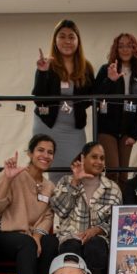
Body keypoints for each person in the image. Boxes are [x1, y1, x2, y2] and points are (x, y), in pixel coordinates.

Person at [0, 134, 58, 274]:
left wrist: (36, 237)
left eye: (50, 152)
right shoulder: (15, 175)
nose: (45, 155)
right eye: (40, 150)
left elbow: (48, 216)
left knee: (51, 241)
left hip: (28, 237)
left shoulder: (49, 186)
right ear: (30, 153)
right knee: (27, 244)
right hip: (3, 234)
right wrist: (8, 178)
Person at [50, 142, 122, 274]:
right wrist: (75, 182)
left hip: (99, 237)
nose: (99, 161)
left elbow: (117, 223)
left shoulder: (113, 188)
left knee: (95, 247)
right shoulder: (66, 181)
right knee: (71, 248)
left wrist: (97, 230)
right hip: (70, 235)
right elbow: (60, 211)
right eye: (94, 157)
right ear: (83, 158)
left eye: (102, 158)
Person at [32, 19, 95, 182]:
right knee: (52, 172)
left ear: (78, 41)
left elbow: (90, 97)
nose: (67, 41)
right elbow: (38, 99)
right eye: (62, 36)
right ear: (55, 40)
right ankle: (51, 206)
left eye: (71, 37)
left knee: (75, 169)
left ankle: (68, 205)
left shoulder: (86, 67)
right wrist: (42, 72)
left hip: (74, 130)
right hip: (48, 126)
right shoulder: (48, 64)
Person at [94, 33, 137, 187]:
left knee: (123, 174)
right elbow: (95, 96)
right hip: (107, 129)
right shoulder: (106, 69)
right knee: (113, 171)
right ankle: (108, 208)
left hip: (127, 131)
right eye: (121, 46)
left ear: (134, 49)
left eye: (129, 45)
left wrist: (135, 134)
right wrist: (109, 80)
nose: (125, 49)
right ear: (116, 49)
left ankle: (120, 210)